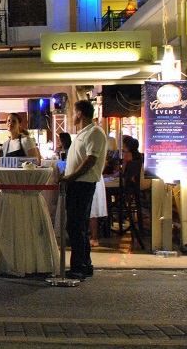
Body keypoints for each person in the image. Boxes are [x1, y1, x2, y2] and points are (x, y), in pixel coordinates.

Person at [60, 100, 107, 280]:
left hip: (82, 184)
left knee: (76, 225)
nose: (72, 116)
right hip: (76, 183)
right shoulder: (83, 133)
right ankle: (85, 264)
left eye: (74, 112)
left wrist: (71, 176)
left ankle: (78, 266)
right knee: (77, 225)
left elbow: (90, 160)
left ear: (80, 113)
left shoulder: (95, 132)